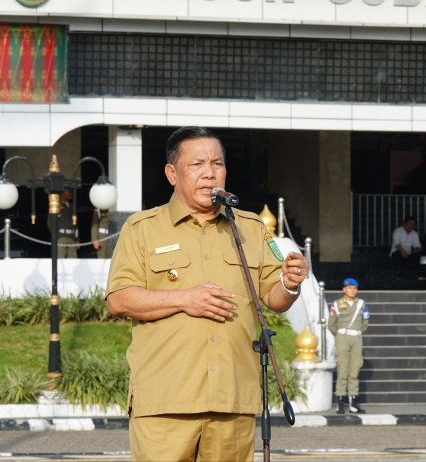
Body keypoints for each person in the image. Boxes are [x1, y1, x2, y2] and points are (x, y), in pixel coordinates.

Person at [106, 126, 308, 462]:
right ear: (172, 173)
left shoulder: (250, 228)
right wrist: (184, 299)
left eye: (217, 163)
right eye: (197, 164)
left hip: (232, 402)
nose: (210, 172)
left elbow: (274, 299)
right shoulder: (141, 228)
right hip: (165, 404)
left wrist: (290, 282)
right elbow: (120, 299)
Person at [328, 277, 370, 415]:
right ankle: (340, 403)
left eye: (355, 288)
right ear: (344, 289)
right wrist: (340, 335)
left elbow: (365, 323)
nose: (352, 291)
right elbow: (331, 324)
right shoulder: (337, 304)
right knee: (342, 371)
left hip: (356, 338)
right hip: (342, 338)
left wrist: (355, 333)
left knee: (354, 371)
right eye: (350, 288)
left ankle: (353, 403)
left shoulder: (362, 304)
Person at [51, 188, 78, 258]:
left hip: (72, 237)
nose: (71, 192)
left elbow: (75, 225)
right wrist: (56, 236)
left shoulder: (72, 206)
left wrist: (77, 239)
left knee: (73, 261)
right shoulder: (56, 205)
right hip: (61, 237)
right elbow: (50, 222)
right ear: (62, 192)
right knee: (60, 260)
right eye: (68, 190)